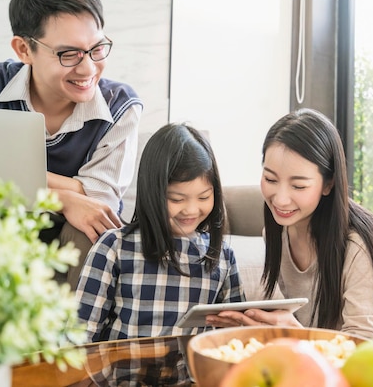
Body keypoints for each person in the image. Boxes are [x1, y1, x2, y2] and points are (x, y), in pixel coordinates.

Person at [0, 0, 143, 289]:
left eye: (97, 49)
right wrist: (65, 196)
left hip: (72, 241)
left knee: (93, 222)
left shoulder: (121, 106)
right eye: (68, 54)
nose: (88, 68)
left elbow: (98, 198)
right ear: (24, 50)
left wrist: (4, 173)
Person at [207, 108, 373, 346]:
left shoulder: (360, 245)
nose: (280, 199)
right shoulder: (276, 234)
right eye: (270, 179)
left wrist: (299, 336)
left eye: (298, 186)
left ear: (328, 184)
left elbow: (365, 347)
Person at [75, 123, 246, 342]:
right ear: (152, 193)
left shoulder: (222, 256)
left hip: (193, 375)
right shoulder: (114, 247)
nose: (192, 210)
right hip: (123, 375)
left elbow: (237, 338)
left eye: (204, 197)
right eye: (176, 199)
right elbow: (80, 335)